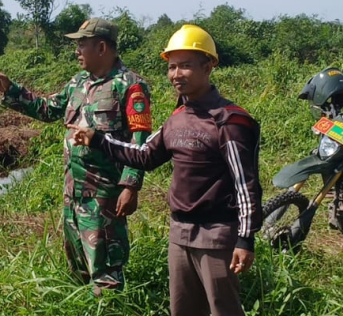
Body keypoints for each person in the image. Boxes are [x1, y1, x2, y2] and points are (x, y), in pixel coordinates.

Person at [68, 24, 262, 316]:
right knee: (182, 310)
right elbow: (145, 155)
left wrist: (245, 239)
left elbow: (245, 185)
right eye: (172, 67)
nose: (176, 74)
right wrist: (98, 140)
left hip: (216, 235)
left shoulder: (229, 122)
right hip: (180, 233)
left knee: (223, 310)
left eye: (185, 66)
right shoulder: (178, 118)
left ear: (208, 66)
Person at [0, 17, 152, 295]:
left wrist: (131, 186)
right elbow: (47, 109)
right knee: (78, 266)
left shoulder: (130, 86)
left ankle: (108, 307)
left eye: (82, 44)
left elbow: (140, 141)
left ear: (101, 47)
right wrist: (10, 89)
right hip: (73, 192)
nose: (77, 51)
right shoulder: (78, 82)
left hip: (104, 195)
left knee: (105, 270)